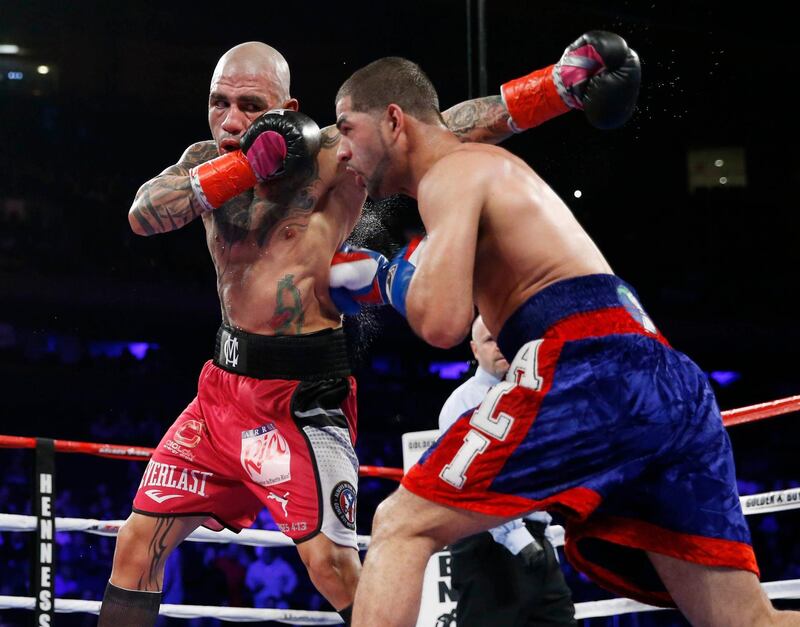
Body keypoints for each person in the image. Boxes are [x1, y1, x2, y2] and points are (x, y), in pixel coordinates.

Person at [97, 36, 622, 627]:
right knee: (137, 545)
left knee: (332, 566)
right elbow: (143, 214)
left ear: (289, 110)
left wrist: (552, 88)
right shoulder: (203, 160)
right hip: (220, 393)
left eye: (250, 105)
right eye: (220, 102)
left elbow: (445, 129)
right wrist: (244, 163)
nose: (231, 118)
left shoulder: (330, 157)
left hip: (300, 396)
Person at [331, 52, 800, 626]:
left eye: (347, 128)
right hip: (663, 373)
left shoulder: (451, 173)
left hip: (588, 360)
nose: (342, 151)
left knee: (401, 524)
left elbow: (443, 322)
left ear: (394, 120)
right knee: (745, 622)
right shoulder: (484, 169)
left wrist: (384, 275)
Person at [439, 316, 575, 626]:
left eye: (504, 336)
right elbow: (470, 483)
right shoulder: (462, 403)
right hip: (486, 545)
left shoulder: (535, 396)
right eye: (489, 340)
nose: (499, 345)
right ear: (475, 349)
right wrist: (516, 537)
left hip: (538, 538)